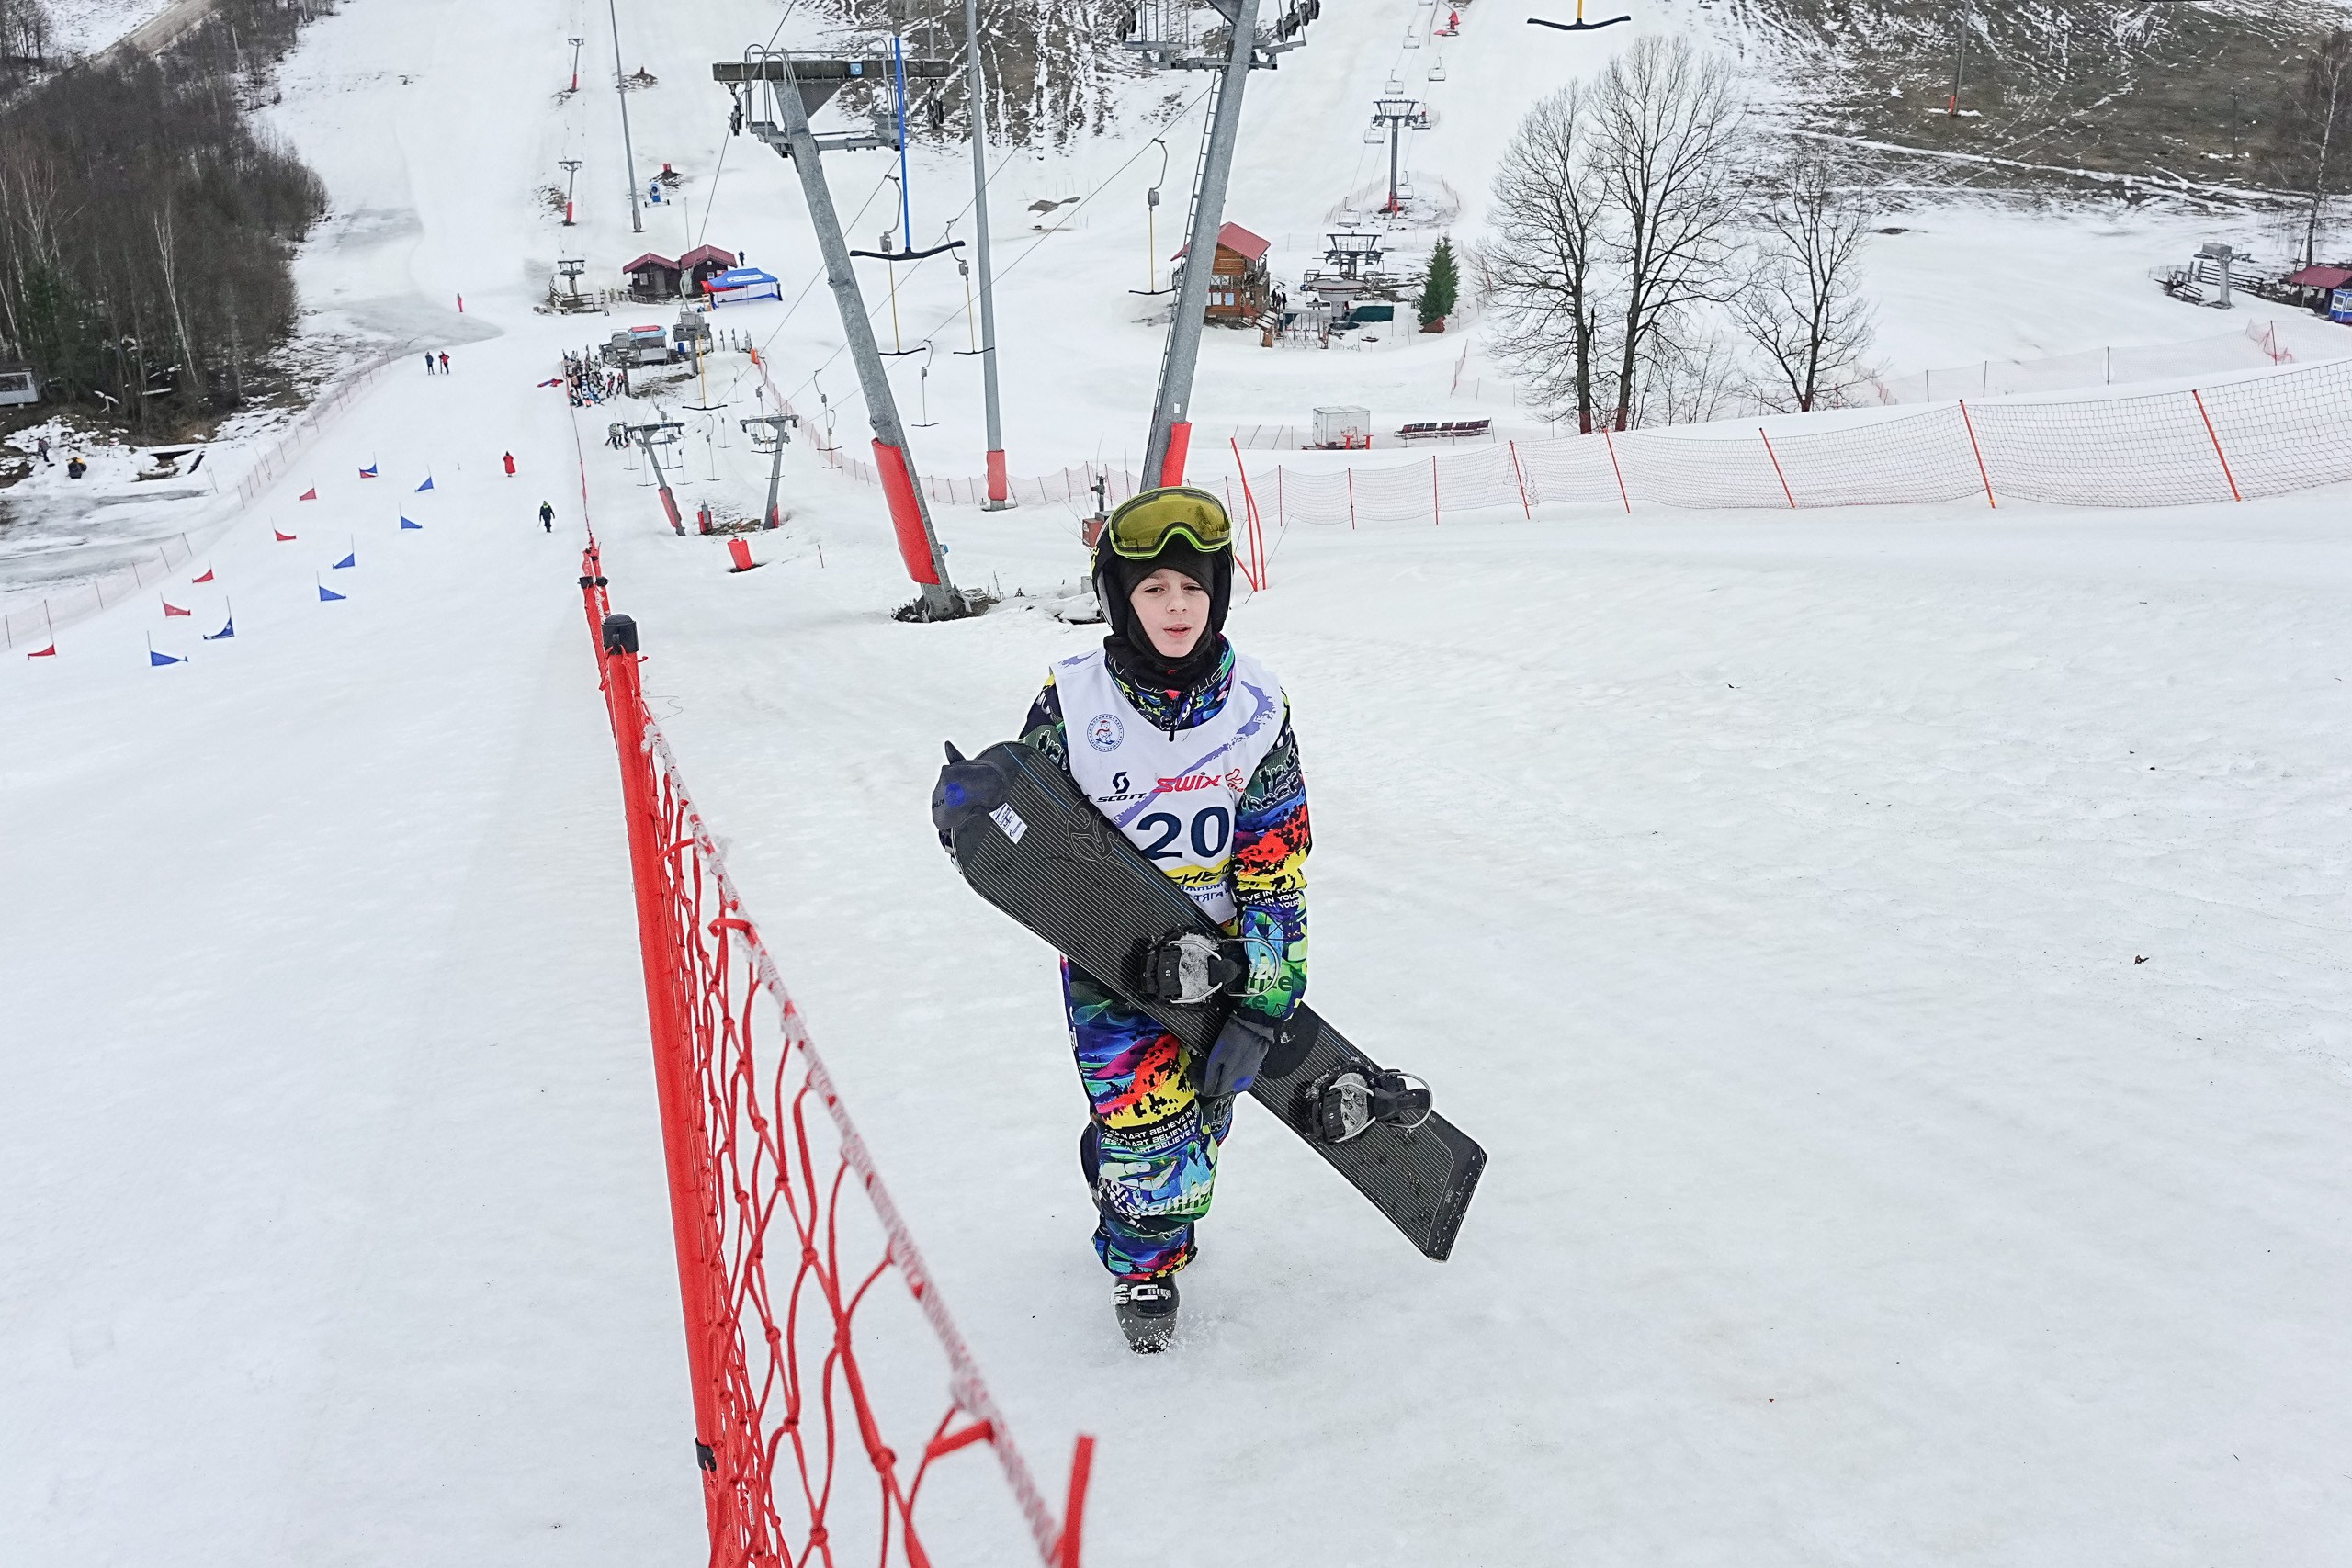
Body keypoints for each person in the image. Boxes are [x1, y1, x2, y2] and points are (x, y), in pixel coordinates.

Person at [951, 487, 1310, 1352]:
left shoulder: (1257, 708)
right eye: (1153, 591)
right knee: (1153, 1141)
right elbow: (1026, 827)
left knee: (1201, 1123)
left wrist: (1266, 999)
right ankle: (1143, 1270)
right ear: (1121, 598)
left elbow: (1275, 861)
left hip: (1222, 959)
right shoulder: (1075, 700)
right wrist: (972, 812)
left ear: (1217, 593)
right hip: (1116, 954)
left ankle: (1134, 1182)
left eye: (1192, 588)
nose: (1176, 608)